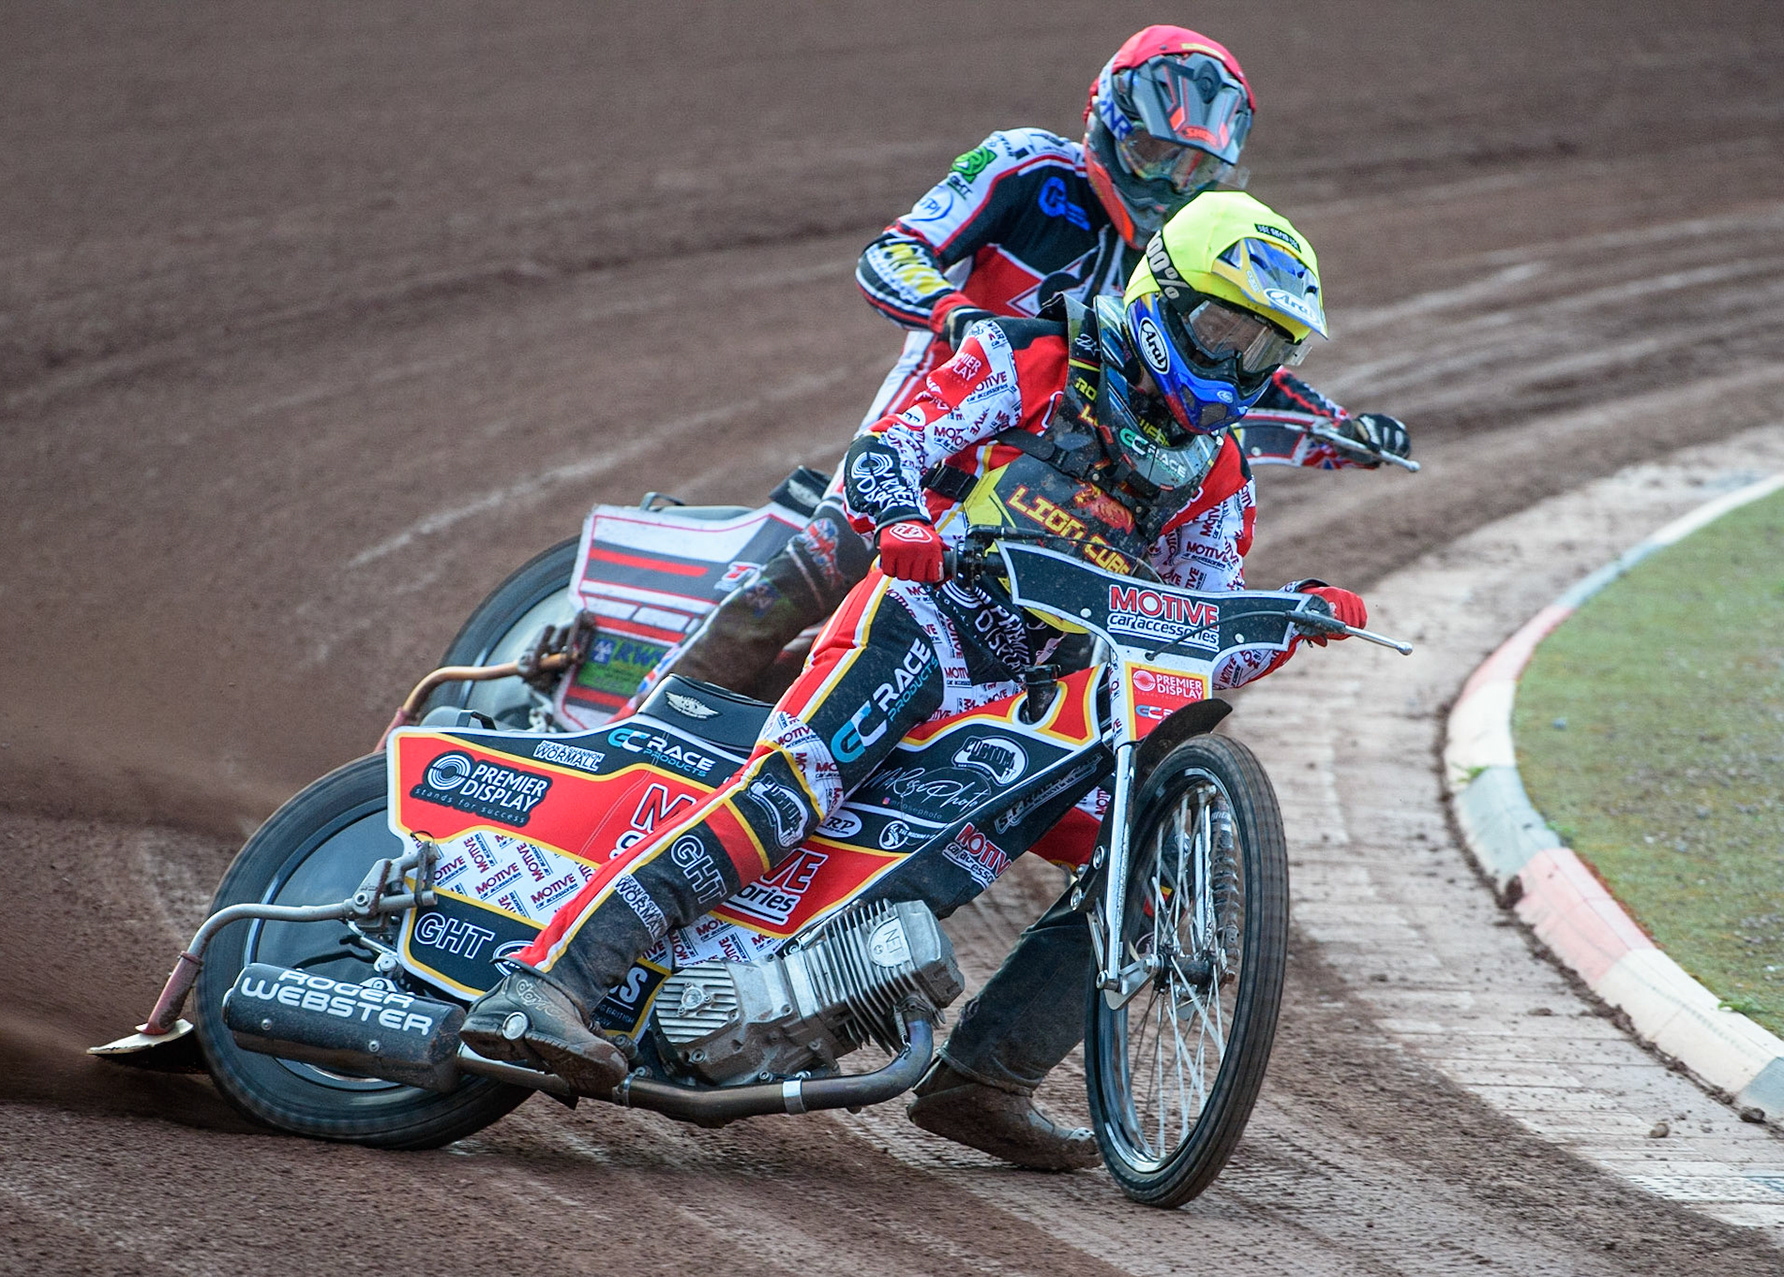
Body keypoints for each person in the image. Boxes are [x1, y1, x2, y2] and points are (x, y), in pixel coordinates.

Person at [463, 195, 1369, 1165]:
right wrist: (904, 523)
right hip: (921, 626)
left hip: (1034, 701)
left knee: (1155, 874)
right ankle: (546, 982)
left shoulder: (1220, 472)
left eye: (1265, 350)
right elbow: (889, 450)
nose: (1237, 368)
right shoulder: (1038, 356)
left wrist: (1285, 622)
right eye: (1225, 330)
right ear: (1162, 296)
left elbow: (1192, 638)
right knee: (788, 794)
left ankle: (986, 1079)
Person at [639, 25, 1408, 707]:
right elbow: (892, 253)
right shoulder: (1027, 169)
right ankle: (639, 722)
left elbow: (1232, 374)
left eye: (1193, 172)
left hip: (1054, 474)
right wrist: (960, 316)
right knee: (828, 558)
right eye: (1152, 154)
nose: (1168, 186)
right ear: (1105, 124)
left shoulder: (1193, 255)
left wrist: (1339, 430)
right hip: (940, 420)